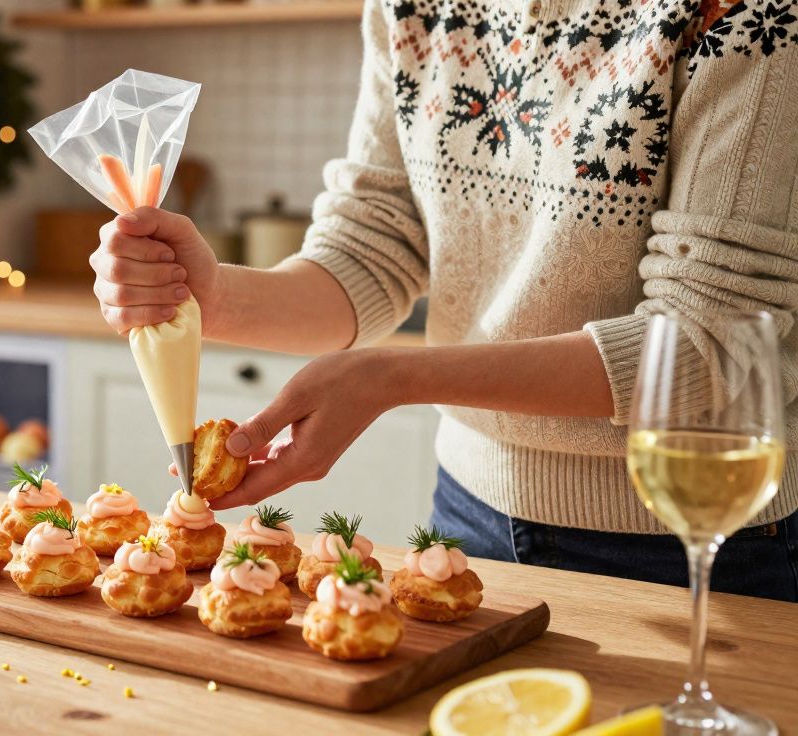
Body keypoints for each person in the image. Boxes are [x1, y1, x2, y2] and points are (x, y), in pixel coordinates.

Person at [88, 0, 798, 601]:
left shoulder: (745, 11)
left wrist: (394, 379)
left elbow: (706, 345)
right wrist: (211, 294)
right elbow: (371, 246)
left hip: (692, 542)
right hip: (467, 520)